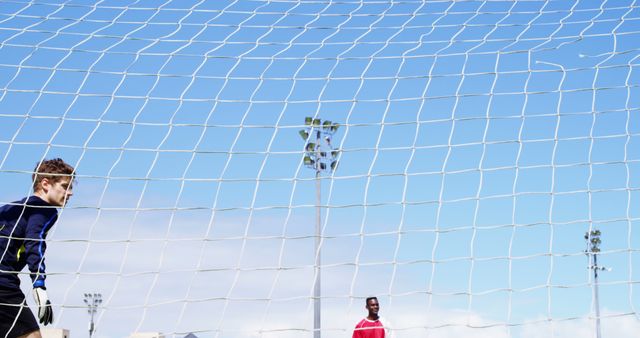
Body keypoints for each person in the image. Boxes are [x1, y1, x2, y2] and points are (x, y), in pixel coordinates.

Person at [0, 158, 75, 338]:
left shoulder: (9, 209)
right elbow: (35, 241)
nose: (70, 193)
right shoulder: (44, 210)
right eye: (65, 186)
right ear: (45, 184)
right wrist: (39, 284)